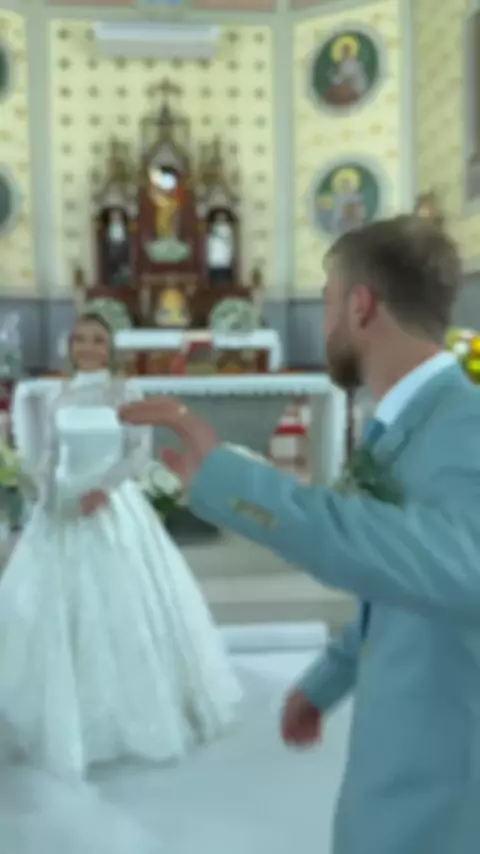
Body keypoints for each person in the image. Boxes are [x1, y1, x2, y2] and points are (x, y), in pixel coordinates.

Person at [120, 216, 480, 854]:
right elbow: (398, 580)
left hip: (443, 777)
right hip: (400, 744)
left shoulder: (464, 425)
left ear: (361, 306)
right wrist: (328, 678)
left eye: (326, 301)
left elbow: (455, 568)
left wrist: (238, 484)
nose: (324, 320)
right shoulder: (417, 419)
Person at [0, 310, 241, 780]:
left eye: (97, 339)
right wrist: (41, 489)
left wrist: (103, 490)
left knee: (122, 608)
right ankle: (62, 716)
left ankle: (130, 717)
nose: (88, 347)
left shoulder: (125, 391)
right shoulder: (58, 395)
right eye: (80, 339)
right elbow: (53, 453)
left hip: (111, 504)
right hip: (64, 506)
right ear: (70, 347)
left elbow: (137, 453)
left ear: (109, 348)